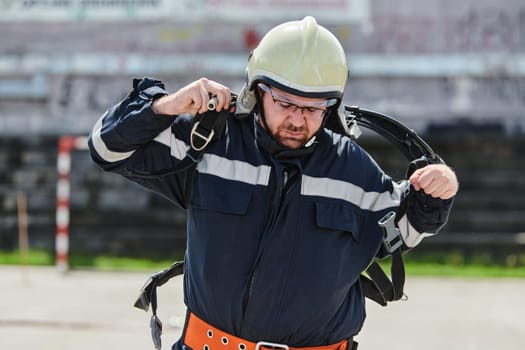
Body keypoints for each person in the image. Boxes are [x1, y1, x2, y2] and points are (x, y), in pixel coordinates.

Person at [89, 16, 458, 350]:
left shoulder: (353, 169)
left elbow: (399, 233)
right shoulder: (211, 140)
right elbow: (108, 150)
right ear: (257, 90)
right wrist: (164, 107)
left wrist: (436, 192)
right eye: (284, 102)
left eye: (314, 108)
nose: (298, 119)